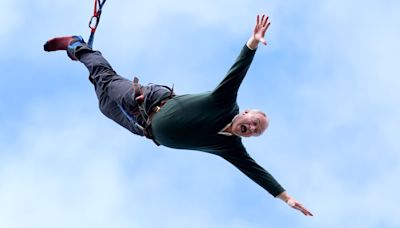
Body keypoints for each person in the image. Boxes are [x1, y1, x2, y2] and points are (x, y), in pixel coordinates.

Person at [44, 14, 313, 216]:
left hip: (142, 127)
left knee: (103, 101)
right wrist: (253, 41)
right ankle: (76, 45)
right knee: (107, 79)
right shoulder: (224, 102)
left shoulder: (229, 147)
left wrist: (287, 198)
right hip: (147, 100)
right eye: (254, 122)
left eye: (256, 130)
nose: (252, 127)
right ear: (244, 113)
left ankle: (87, 58)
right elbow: (239, 68)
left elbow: (256, 173)